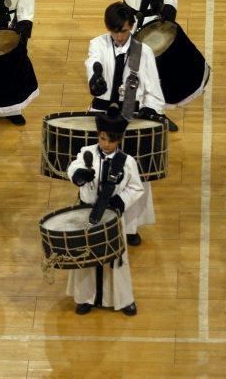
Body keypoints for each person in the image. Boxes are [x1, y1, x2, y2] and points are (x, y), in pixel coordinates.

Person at [86, 1, 164, 246]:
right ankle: (97, 219)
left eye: (123, 31)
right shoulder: (98, 44)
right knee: (100, 169)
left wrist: (150, 111)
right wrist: (96, 77)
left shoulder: (144, 52)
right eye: (114, 31)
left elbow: (153, 90)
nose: (119, 36)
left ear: (131, 26)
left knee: (131, 172)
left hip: (131, 115)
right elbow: (93, 62)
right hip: (103, 114)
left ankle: (129, 226)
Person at [66, 105, 142, 316]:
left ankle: (123, 298)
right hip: (87, 214)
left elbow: (136, 187)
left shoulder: (127, 162)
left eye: (110, 140)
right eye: (102, 138)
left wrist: (120, 201)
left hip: (113, 216)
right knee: (86, 257)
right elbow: (73, 167)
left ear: (118, 140)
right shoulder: (87, 153)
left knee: (116, 259)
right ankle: (85, 298)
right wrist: (80, 174)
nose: (105, 144)